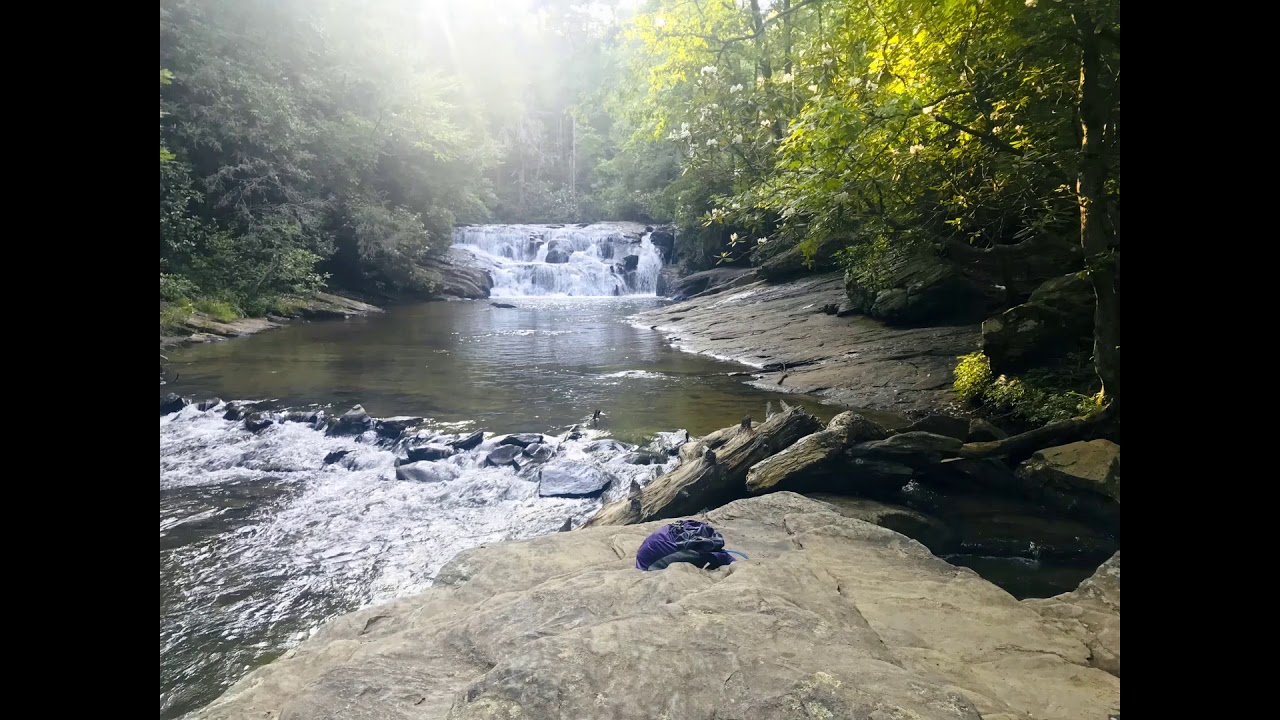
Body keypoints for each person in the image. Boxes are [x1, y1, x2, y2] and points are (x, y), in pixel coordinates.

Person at [635, 519, 745, 571]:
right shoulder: (694, 550)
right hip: (648, 564)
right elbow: (724, 558)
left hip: (648, 548)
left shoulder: (690, 528)